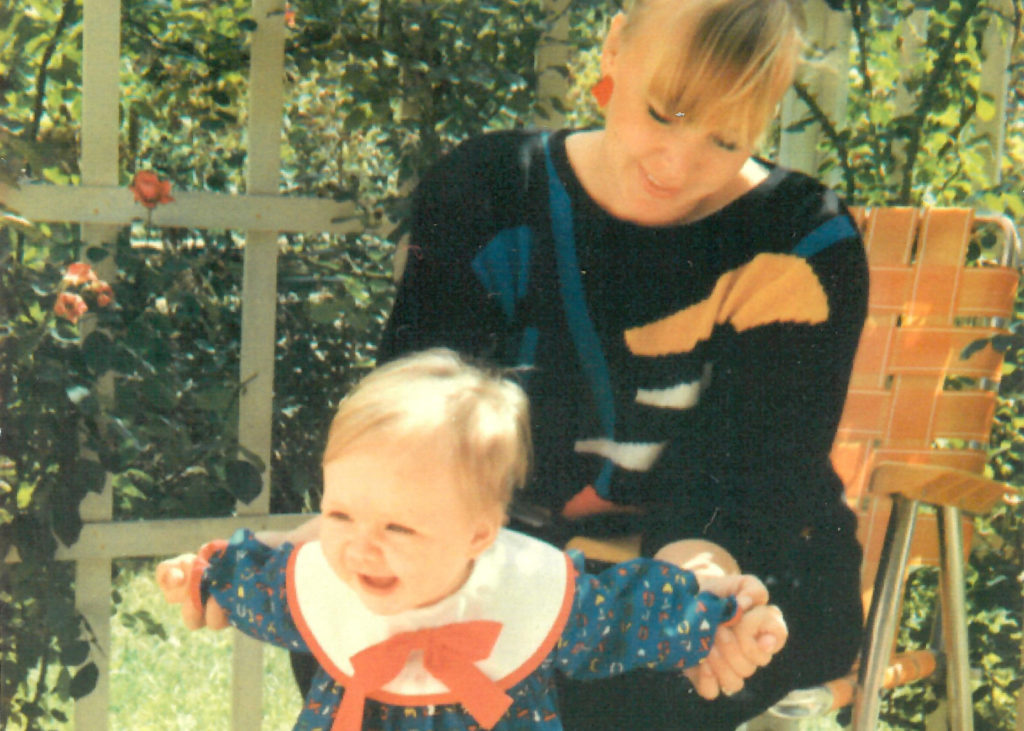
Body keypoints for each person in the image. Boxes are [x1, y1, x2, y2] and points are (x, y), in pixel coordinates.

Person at [370, 0, 869, 727]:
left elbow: (758, 477)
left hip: (740, 554)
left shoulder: (802, 242)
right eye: (664, 112)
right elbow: (410, 426)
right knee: (367, 657)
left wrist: (693, 585)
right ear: (615, 50)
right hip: (502, 554)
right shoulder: (485, 192)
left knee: (630, 683)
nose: (677, 162)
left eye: (725, 138)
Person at [157, 349, 788, 730]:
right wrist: (205, 575)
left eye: (398, 527)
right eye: (341, 514)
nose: (360, 546)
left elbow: (627, 611)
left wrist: (719, 612)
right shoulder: (327, 572)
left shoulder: (528, 589)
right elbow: (264, 583)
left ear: (479, 533)